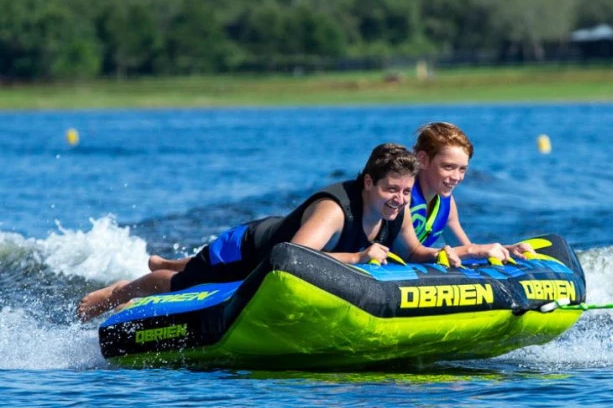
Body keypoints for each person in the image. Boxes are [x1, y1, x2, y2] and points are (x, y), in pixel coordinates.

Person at [77, 143, 460, 322]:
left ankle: (174, 260)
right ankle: (120, 291)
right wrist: (359, 257)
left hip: (278, 246)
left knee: (195, 267)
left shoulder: (401, 207)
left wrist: (449, 254)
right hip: (249, 248)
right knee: (187, 282)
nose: (399, 199)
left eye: (406, 191)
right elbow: (295, 258)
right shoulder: (333, 211)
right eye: (391, 189)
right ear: (367, 183)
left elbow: (411, 249)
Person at [410, 121, 531, 261]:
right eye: (448, 167)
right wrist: (473, 251)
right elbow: (409, 253)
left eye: (462, 169)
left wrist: (506, 251)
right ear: (423, 160)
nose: (456, 177)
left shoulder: (445, 204)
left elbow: (466, 250)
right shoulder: (401, 197)